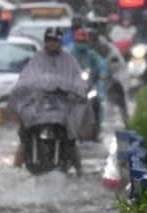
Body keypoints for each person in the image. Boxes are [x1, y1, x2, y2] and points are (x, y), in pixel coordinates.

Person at [8, 27, 92, 177]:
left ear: (60, 42)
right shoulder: (36, 59)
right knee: (25, 137)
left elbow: (78, 81)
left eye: (55, 40)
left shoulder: (70, 61)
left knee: (70, 138)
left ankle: (80, 171)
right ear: (45, 41)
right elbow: (25, 79)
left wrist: (75, 91)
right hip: (38, 103)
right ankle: (15, 171)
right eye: (50, 40)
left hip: (62, 103)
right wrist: (25, 91)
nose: (52, 43)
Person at [69, 28, 108, 139]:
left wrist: (103, 73)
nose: (81, 43)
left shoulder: (92, 55)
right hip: (71, 88)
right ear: (75, 41)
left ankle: (96, 130)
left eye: (83, 41)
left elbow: (102, 64)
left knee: (97, 103)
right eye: (79, 41)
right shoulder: (69, 54)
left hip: (89, 87)